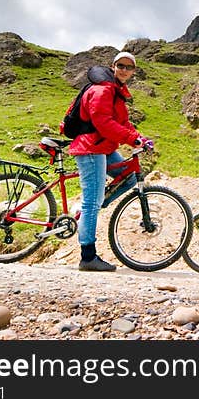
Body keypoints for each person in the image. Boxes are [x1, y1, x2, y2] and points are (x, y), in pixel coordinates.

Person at [65, 51, 151, 272]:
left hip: (104, 146)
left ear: (133, 71)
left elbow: (121, 123)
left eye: (129, 67)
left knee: (129, 178)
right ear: (113, 66)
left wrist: (140, 138)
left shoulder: (116, 91)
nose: (124, 70)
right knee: (91, 202)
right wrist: (132, 139)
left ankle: (92, 207)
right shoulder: (103, 90)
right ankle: (88, 257)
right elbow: (103, 123)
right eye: (120, 65)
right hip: (91, 147)